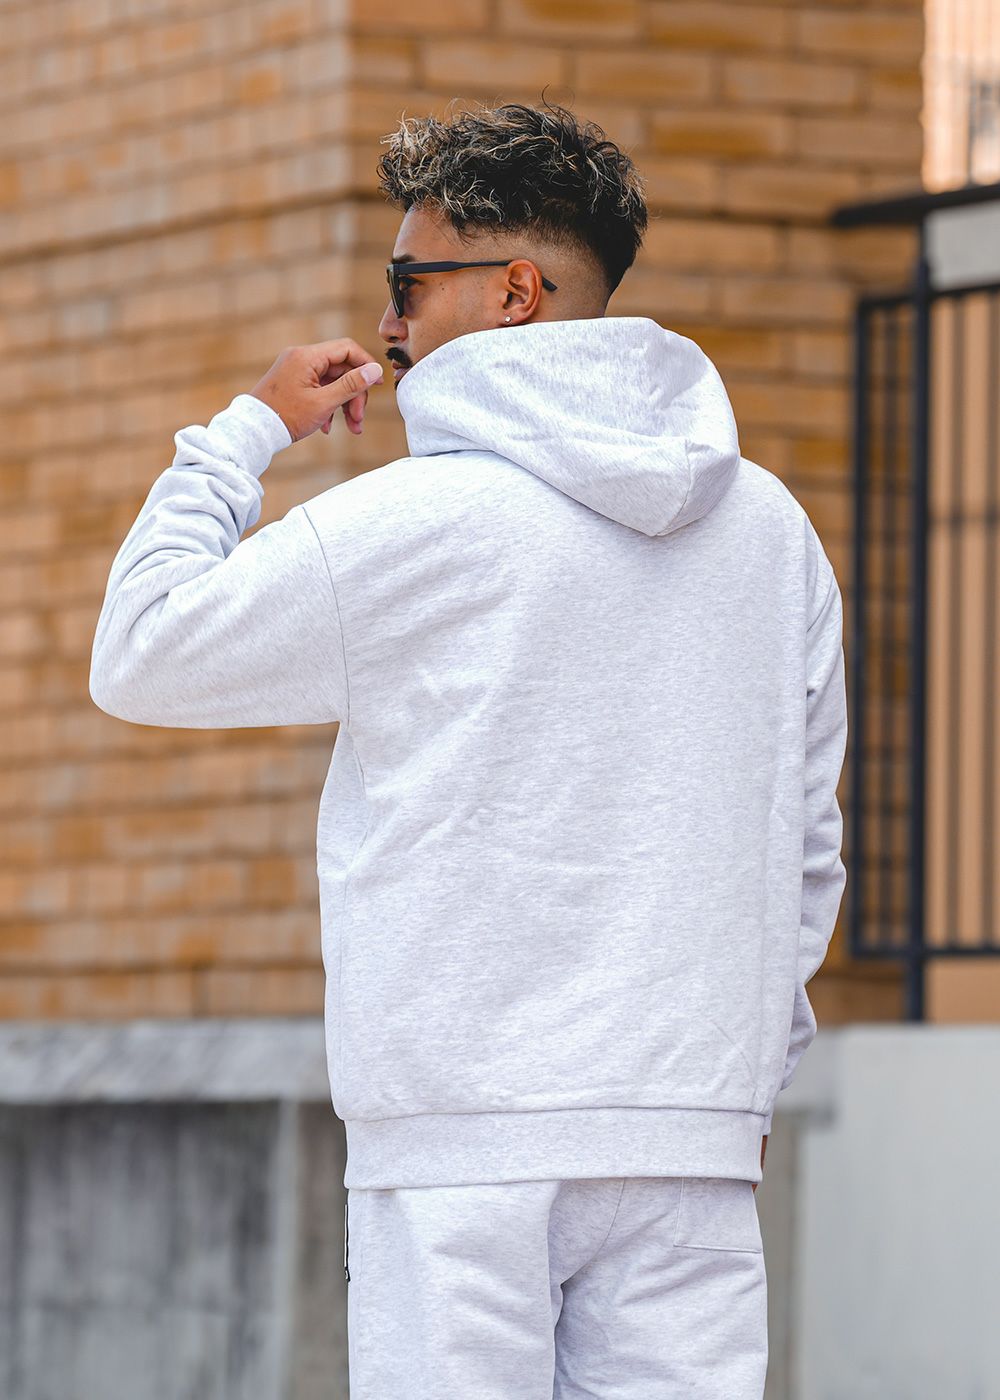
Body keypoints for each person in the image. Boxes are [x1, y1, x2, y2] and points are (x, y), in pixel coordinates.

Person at [89, 98, 848, 1399]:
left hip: (461, 1149)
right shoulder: (771, 533)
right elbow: (809, 845)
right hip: (686, 1142)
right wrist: (737, 1083)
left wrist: (248, 429)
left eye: (408, 284)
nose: (388, 325)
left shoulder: (413, 523)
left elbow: (140, 648)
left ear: (513, 293)